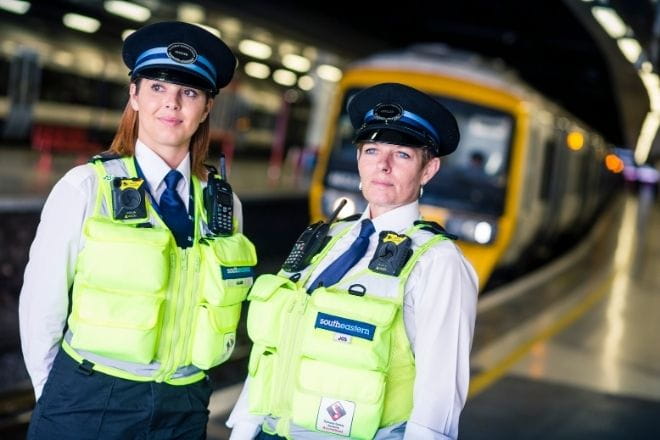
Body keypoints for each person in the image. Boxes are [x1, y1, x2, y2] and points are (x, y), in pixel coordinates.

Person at [19, 21, 257, 439]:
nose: (173, 104)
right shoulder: (85, 187)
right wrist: (56, 395)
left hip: (183, 407)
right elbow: (41, 305)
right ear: (134, 96)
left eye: (189, 92)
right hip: (89, 401)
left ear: (205, 109)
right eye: (158, 88)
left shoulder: (225, 205)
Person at [227, 82, 479, 439]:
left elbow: (439, 392)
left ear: (429, 170)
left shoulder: (438, 262)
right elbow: (276, 345)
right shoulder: (325, 238)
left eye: (402, 155)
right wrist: (244, 429)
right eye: (372, 150)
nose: (384, 166)